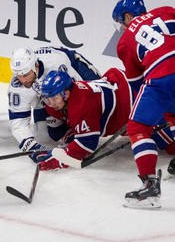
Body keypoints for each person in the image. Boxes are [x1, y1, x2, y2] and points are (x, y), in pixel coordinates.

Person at [39, 69, 175, 209]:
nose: (51, 103)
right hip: (122, 85)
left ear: (66, 93)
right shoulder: (71, 96)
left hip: (133, 100)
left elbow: (86, 145)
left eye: (54, 98)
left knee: (170, 143)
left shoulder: (81, 104)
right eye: (47, 99)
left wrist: (58, 160)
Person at [110, 0, 175, 208]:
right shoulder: (164, 11)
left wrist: (145, 116)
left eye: (121, 21)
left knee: (138, 126)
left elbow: (138, 85)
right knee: (171, 114)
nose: (122, 26)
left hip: (162, 75)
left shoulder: (125, 41)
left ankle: (149, 186)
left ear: (128, 16)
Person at [8, 46, 101, 163]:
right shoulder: (17, 86)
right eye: (18, 75)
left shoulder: (56, 65)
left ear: (35, 66)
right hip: (47, 95)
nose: (23, 80)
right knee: (45, 135)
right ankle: (68, 130)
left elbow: (79, 92)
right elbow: (18, 122)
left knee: (99, 98)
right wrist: (33, 148)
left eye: (26, 75)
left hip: (71, 63)